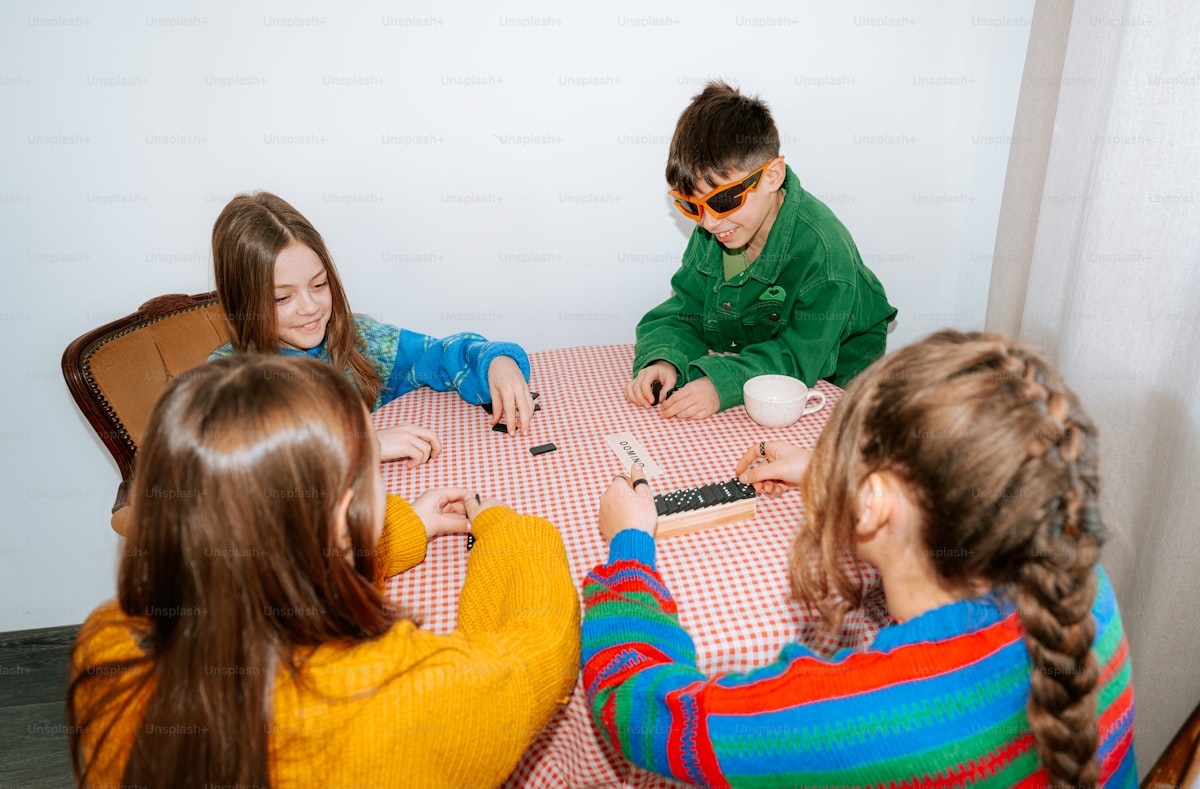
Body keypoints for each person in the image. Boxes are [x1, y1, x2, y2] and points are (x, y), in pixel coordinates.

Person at [587, 330, 1136, 787]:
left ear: (874, 502)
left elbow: (638, 710)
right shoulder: (1082, 592)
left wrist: (629, 549)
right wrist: (837, 477)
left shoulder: (862, 717)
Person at [68, 354, 580, 789]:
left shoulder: (105, 642)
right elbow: (535, 651)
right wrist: (512, 530)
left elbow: (275, 560)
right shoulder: (408, 690)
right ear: (341, 518)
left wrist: (406, 526)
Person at [625, 81, 897, 421]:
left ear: (772, 176)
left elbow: (799, 357)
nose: (707, 222)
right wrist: (665, 358)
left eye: (723, 199)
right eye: (691, 206)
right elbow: (685, 311)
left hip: (836, 380)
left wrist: (720, 384)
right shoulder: (721, 226)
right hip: (754, 365)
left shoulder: (825, 254)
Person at [209, 191, 537, 466]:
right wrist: (362, 447)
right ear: (242, 303)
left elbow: (438, 355)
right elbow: (245, 462)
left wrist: (494, 362)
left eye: (319, 284)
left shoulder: (360, 340)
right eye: (282, 297)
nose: (309, 307)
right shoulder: (224, 379)